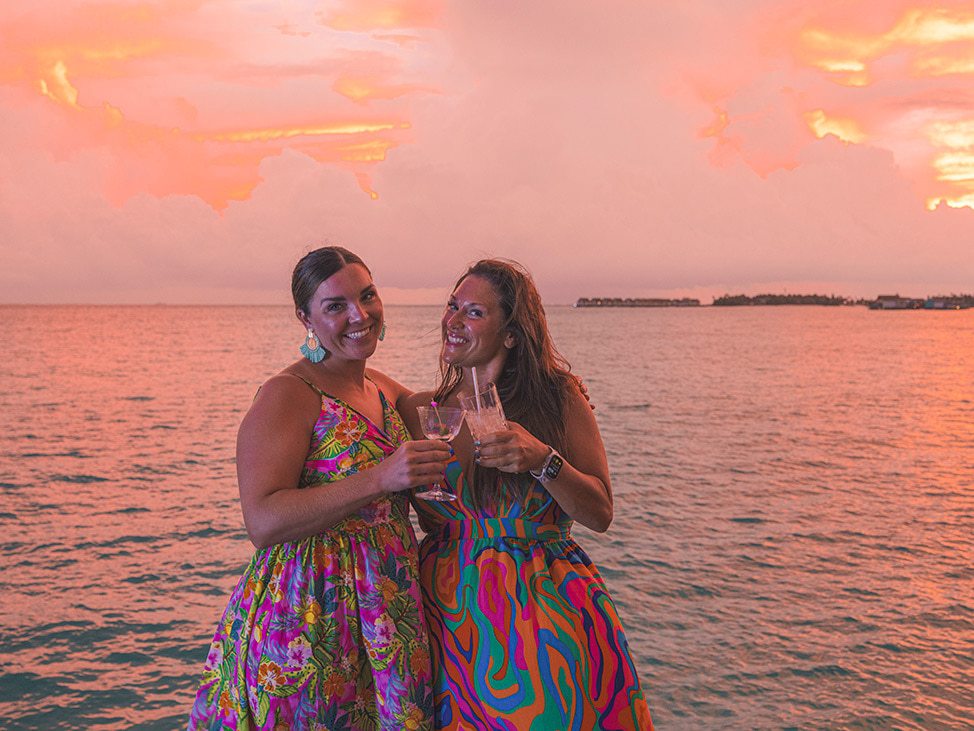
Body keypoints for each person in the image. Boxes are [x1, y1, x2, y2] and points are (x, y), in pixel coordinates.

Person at [188, 246, 451, 731]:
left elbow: (460, 409)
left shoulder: (381, 389)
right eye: (336, 305)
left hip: (387, 609)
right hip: (311, 611)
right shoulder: (289, 393)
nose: (360, 314)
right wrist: (380, 478)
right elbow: (263, 522)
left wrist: (552, 390)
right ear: (304, 317)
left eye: (367, 295)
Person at [401, 259, 654, 730]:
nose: (452, 321)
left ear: (512, 334)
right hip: (446, 615)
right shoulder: (419, 410)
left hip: (543, 615)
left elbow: (599, 512)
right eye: (452, 306)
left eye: (473, 313)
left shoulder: (559, 399)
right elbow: (352, 386)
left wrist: (542, 460)